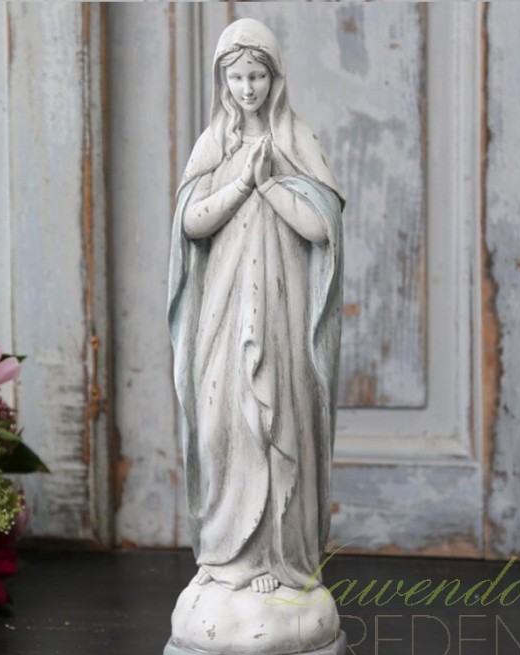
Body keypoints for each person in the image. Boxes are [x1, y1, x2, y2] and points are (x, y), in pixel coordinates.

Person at [168, 18, 344, 595]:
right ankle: (228, 557)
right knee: (224, 424)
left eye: (257, 76)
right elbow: (191, 223)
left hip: (280, 315)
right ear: (223, 80)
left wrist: (270, 185)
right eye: (237, 77)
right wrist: (241, 183)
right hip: (222, 311)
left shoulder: (296, 139)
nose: (247, 88)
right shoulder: (213, 143)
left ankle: (275, 558)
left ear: (275, 78)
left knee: (276, 423)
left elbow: (320, 227)